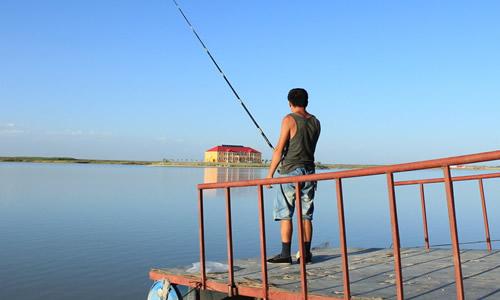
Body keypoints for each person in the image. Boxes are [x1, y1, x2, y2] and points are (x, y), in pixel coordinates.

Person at [265, 88, 321, 264]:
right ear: (307, 102)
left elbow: (279, 149)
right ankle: (305, 254)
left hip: (290, 172)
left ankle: (285, 254)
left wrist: (269, 175)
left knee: (285, 213)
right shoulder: (316, 122)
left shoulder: (289, 119)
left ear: (290, 103)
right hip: (310, 172)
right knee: (306, 215)